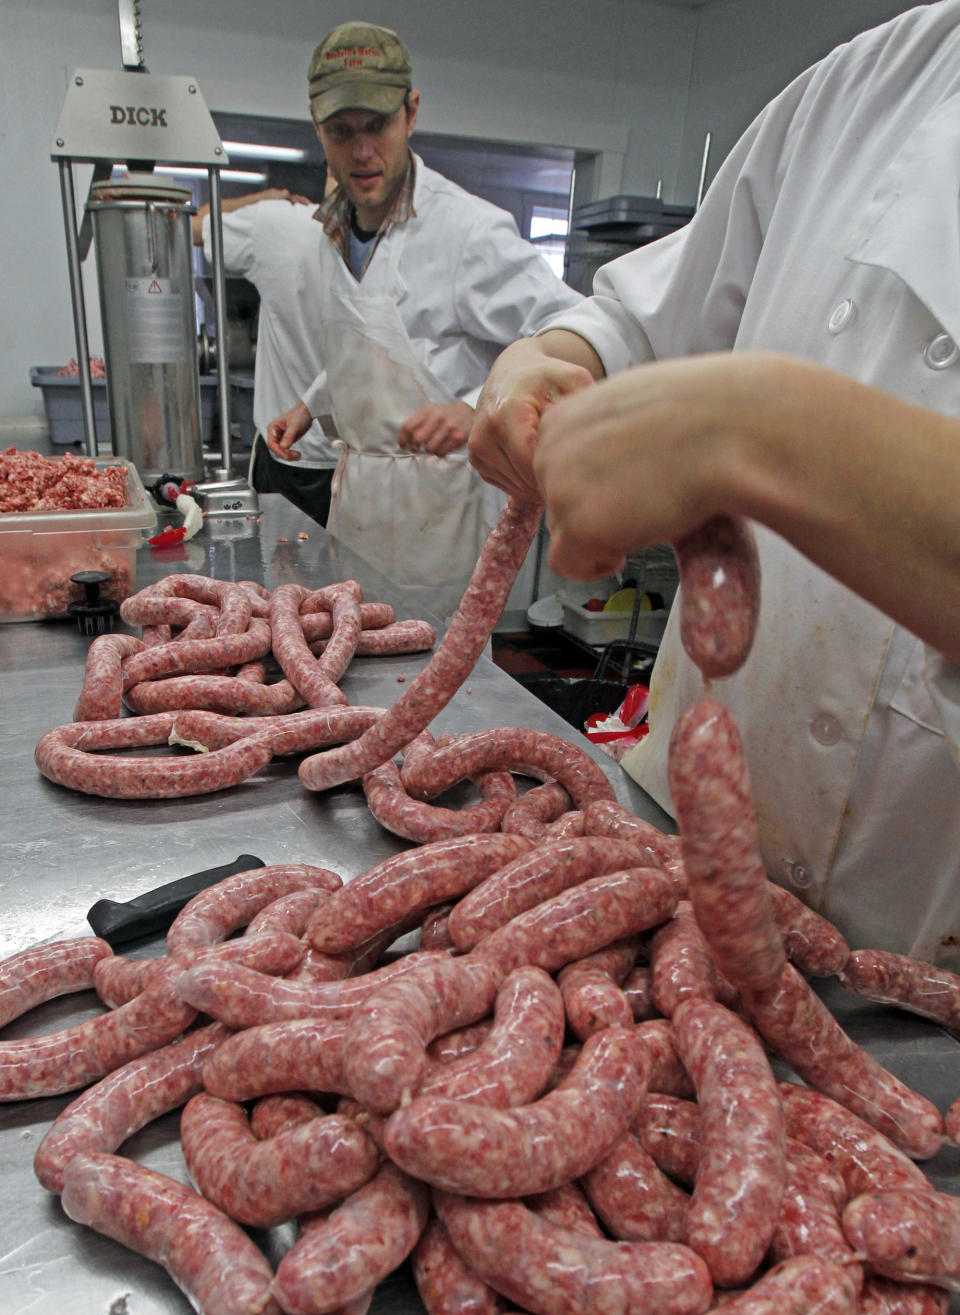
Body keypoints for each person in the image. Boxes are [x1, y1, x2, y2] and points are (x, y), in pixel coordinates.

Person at [469, 0, 960, 969]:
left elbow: (730, 410)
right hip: (659, 878)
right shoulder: (878, 78)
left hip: (925, 991)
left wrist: (761, 428)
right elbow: (646, 323)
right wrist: (540, 362)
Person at [266, 20, 580, 613]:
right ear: (317, 128)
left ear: (411, 112)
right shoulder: (330, 230)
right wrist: (311, 403)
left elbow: (571, 329)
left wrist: (478, 407)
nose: (362, 152)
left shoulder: (468, 230)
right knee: (348, 671)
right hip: (358, 505)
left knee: (441, 686)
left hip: (440, 515)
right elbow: (374, 347)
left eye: (379, 126)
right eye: (342, 131)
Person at [192, 186, 339, 525]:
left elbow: (194, 225)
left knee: (283, 574)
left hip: (291, 458)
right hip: (348, 459)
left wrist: (259, 199)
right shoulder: (390, 240)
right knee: (348, 573)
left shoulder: (277, 222)